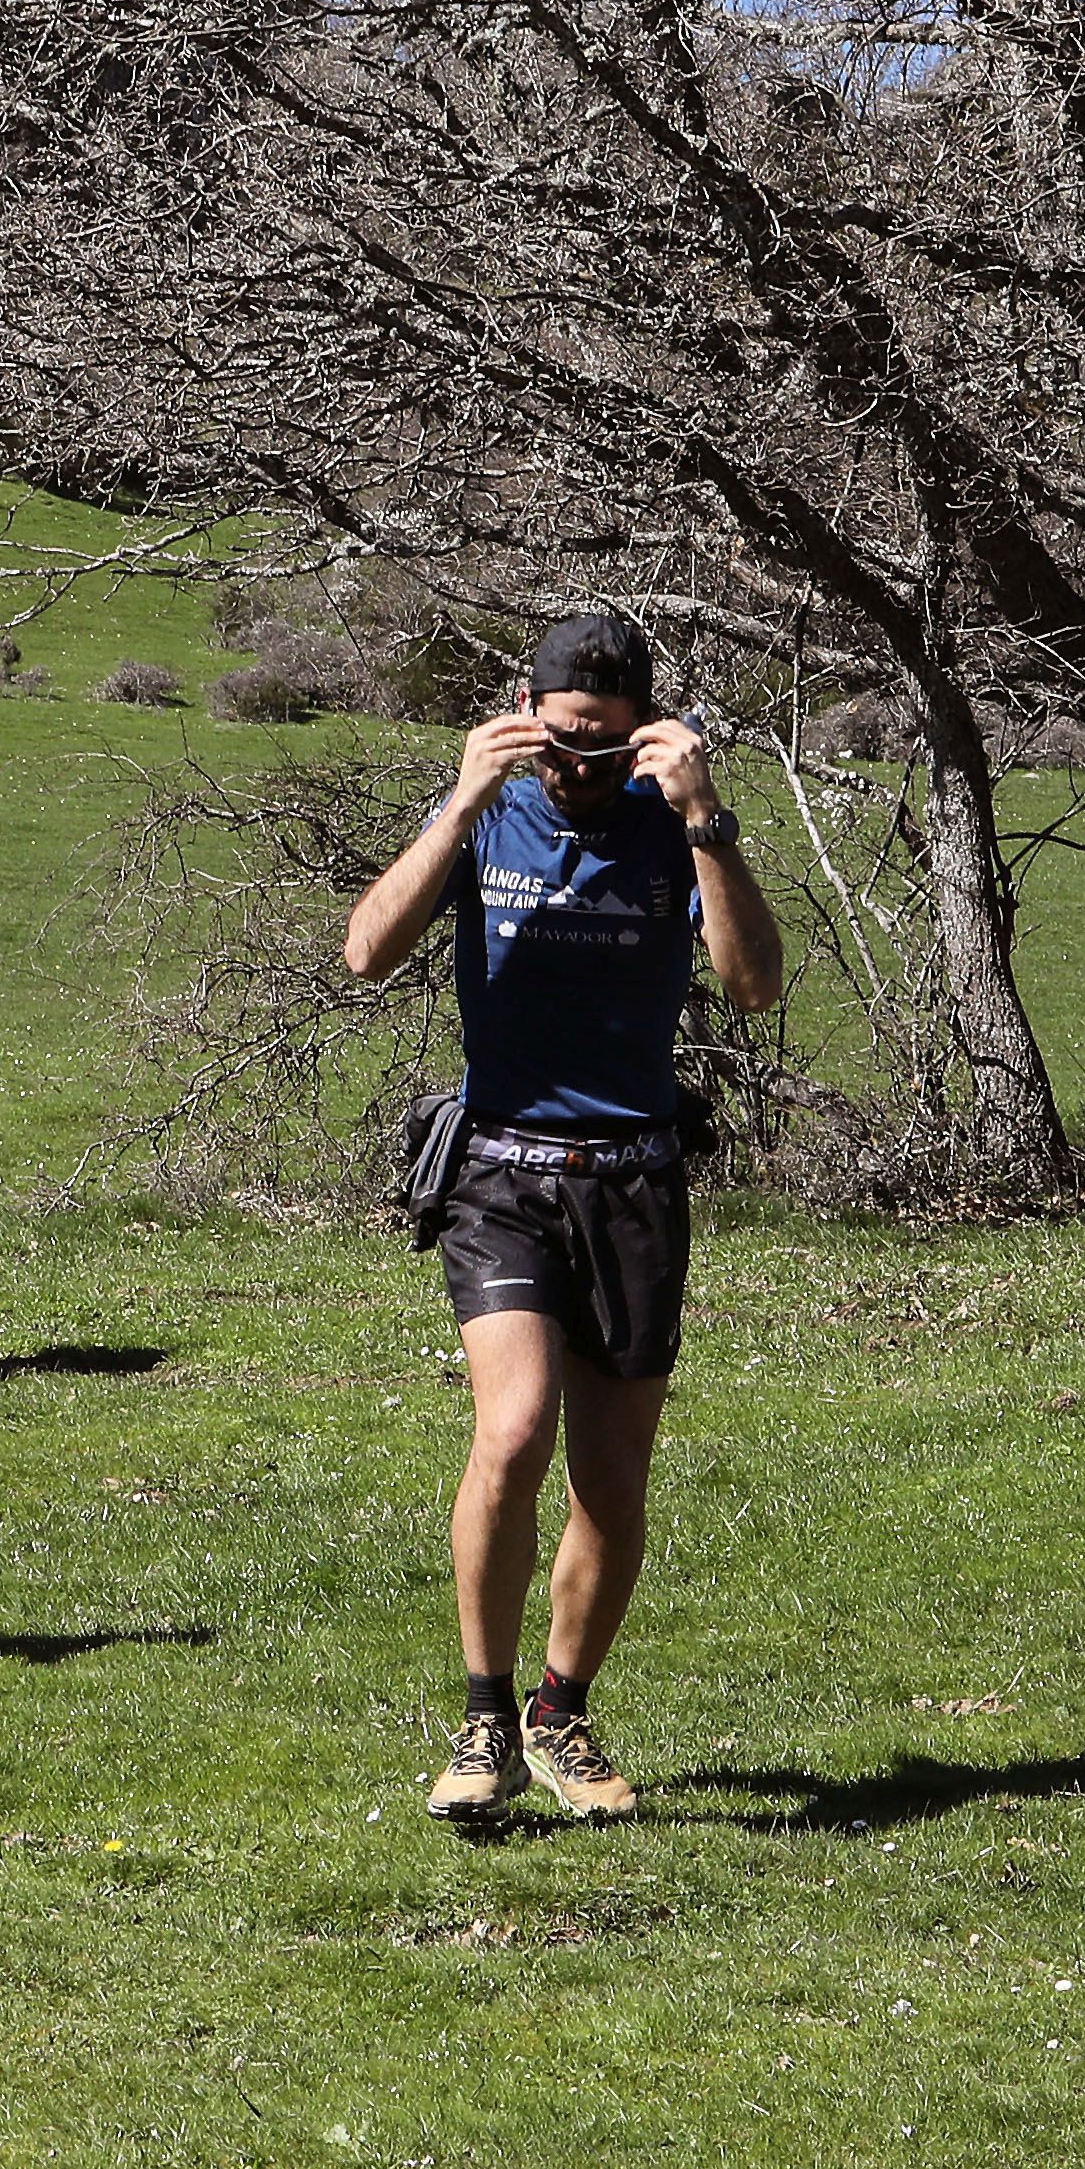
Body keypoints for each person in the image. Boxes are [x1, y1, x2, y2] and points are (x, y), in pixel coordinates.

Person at [342, 612, 783, 1825]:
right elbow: (367, 951)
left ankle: (560, 1714)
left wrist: (707, 821)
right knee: (514, 1429)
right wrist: (460, 801)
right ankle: (482, 1719)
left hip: (637, 1179)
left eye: (597, 744)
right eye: (552, 736)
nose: (570, 763)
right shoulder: (491, 815)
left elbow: (753, 985)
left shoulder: (669, 827)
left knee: (612, 1479)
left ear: (643, 733)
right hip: (503, 1175)